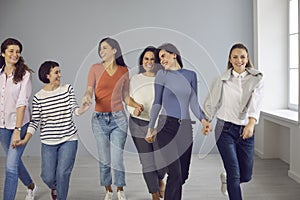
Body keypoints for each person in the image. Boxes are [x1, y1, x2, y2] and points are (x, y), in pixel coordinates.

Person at [15, 61, 90, 200]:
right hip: (48, 142)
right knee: (47, 176)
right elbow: (35, 121)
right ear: (47, 75)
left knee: (63, 173)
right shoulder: (38, 97)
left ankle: (61, 196)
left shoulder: (67, 89)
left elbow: (75, 109)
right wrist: (25, 139)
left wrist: (82, 109)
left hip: (69, 139)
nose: (60, 75)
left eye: (59, 72)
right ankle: (55, 187)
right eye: (56, 72)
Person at [146, 43, 209, 200]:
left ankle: (164, 181)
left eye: (164, 56)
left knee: (182, 176)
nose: (162, 60)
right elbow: (157, 103)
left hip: (185, 129)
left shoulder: (190, 75)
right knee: (175, 173)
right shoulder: (162, 76)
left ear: (174, 54)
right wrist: (150, 127)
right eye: (160, 58)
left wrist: (203, 120)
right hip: (165, 127)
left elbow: (194, 102)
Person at [82, 37, 142, 200]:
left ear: (114, 50)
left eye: (105, 48)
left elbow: (126, 96)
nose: (101, 51)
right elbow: (89, 90)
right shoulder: (94, 68)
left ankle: (120, 189)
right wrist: (87, 97)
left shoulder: (123, 71)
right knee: (104, 159)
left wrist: (135, 104)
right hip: (99, 119)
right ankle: (108, 190)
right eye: (100, 49)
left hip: (118, 119)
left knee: (117, 158)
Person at [202, 43, 264, 200]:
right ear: (230, 59)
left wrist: (251, 123)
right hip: (225, 129)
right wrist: (206, 121)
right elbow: (212, 102)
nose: (239, 60)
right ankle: (231, 181)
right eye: (235, 57)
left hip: (246, 130)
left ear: (247, 58)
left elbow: (256, 103)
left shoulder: (256, 79)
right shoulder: (222, 80)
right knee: (234, 173)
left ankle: (227, 179)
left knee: (246, 175)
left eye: (242, 57)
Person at [0, 38, 37, 200]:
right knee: (13, 161)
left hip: (19, 125)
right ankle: (31, 186)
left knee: (10, 168)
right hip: (2, 126)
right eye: (11, 51)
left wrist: (17, 130)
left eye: (17, 51)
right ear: (3, 53)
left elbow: (22, 103)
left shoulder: (25, 75)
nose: (15, 54)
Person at [127, 46, 166, 200]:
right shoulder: (135, 79)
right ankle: (154, 194)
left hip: (159, 124)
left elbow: (166, 102)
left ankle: (160, 178)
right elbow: (128, 100)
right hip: (138, 123)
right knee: (147, 161)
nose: (149, 62)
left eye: (152, 59)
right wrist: (133, 110)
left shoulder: (163, 78)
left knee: (162, 160)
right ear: (142, 61)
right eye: (146, 59)